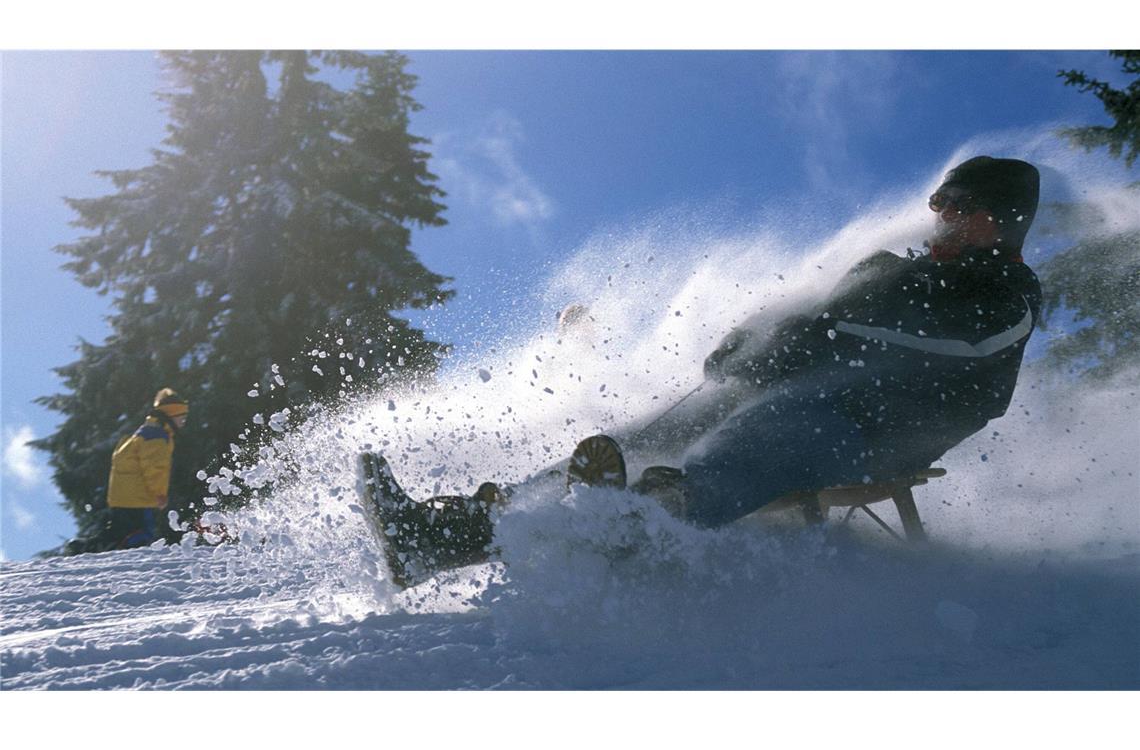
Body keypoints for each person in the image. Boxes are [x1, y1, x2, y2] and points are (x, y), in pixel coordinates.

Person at [362, 156, 1042, 583]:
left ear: (998, 222)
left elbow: (967, 347)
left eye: (960, 206)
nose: (942, 215)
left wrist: (822, 335)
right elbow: (804, 313)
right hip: (786, 392)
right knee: (648, 432)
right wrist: (750, 342)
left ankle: (656, 521)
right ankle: (442, 539)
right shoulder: (888, 268)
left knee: (770, 427)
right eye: (939, 203)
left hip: (872, 431)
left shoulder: (1006, 295)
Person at [105, 388, 189, 549]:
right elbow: (155, 467)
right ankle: (130, 560)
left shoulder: (144, 432)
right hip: (138, 499)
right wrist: (159, 493)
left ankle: (92, 546)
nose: (183, 423)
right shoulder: (156, 436)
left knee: (118, 533)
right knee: (141, 534)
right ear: (171, 416)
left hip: (121, 497)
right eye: (182, 419)